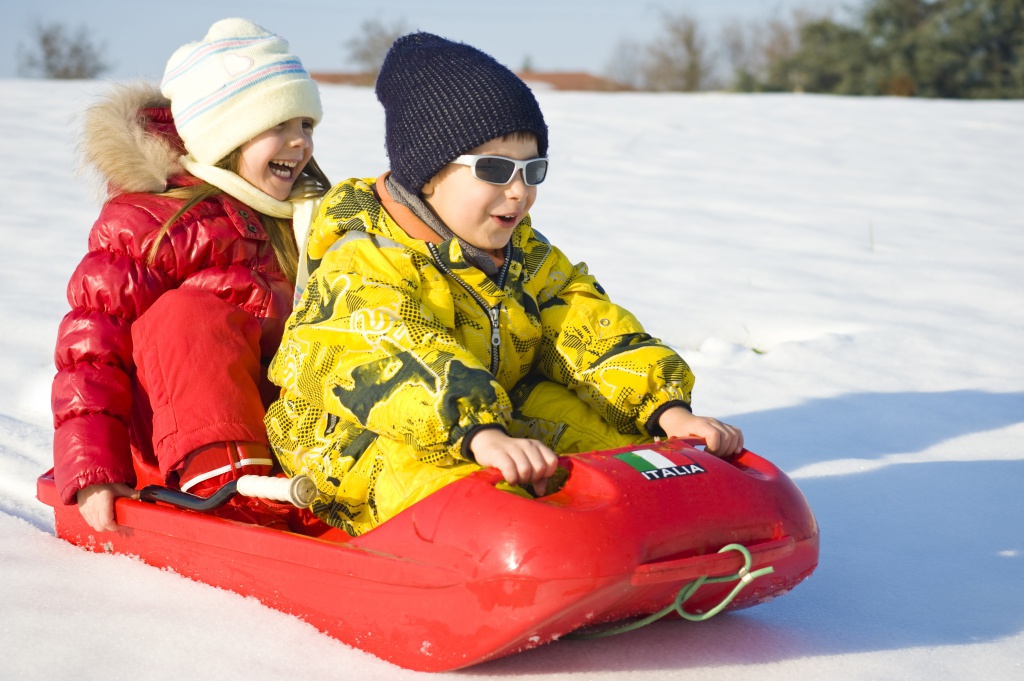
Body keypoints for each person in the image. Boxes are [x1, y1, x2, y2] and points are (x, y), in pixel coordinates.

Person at [264, 32, 743, 537]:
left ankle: (668, 509)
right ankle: (504, 541)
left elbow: (580, 323)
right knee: (443, 481)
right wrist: (479, 431)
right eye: (494, 169)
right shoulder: (363, 258)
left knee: (615, 443)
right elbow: (392, 353)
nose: (519, 191)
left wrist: (665, 409)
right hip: (356, 440)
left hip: (492, 415)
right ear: (427, 173)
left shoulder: (522, 253)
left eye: (532, 169)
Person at [51, 18, 329, 532]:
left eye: (306, 126)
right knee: (189, 314)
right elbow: (92, 347)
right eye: (278, 126)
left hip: (286, 440)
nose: (299, 144)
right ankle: (226, 491)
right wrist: (94, 466)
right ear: (227, 134)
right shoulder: (153, 221)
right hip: (179, 447)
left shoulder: (311, 218)